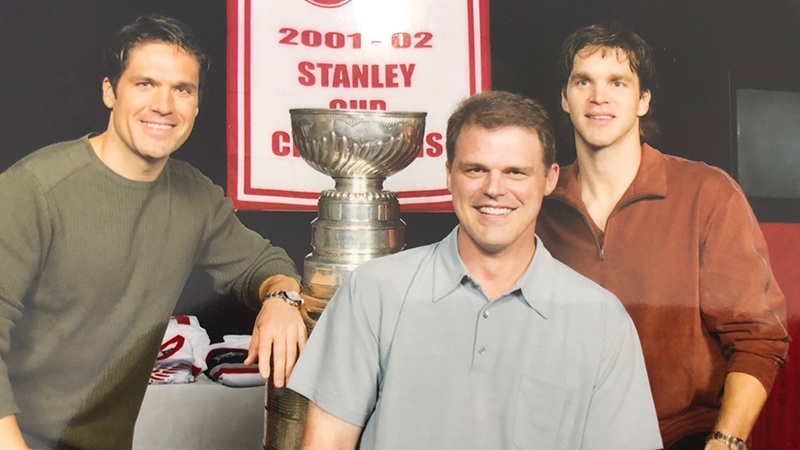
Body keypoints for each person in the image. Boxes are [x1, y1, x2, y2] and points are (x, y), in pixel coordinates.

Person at [288, 91, 663, 450]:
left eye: (516, 172)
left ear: (549, 179)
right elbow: (326, 443)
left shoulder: (601, 320)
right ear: (449, 174)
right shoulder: (372, 293)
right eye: (476, 169)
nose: (494, 189)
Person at [0, 15, 307, 450]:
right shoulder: (33, 189)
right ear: (110, 91)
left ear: (197, 104)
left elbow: (262, 265)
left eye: (182, 89)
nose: (164, 105)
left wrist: (281, 297)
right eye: (145, 84)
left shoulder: (194, 197)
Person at [537, 22, 790, 450]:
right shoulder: (538, 202)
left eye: (618, 82)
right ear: (565, 98)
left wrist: (725, 443)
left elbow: (758, 338)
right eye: (584, 81)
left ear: (643, 100)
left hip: (680, 436)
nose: (599, 96)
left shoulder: (707, 192)